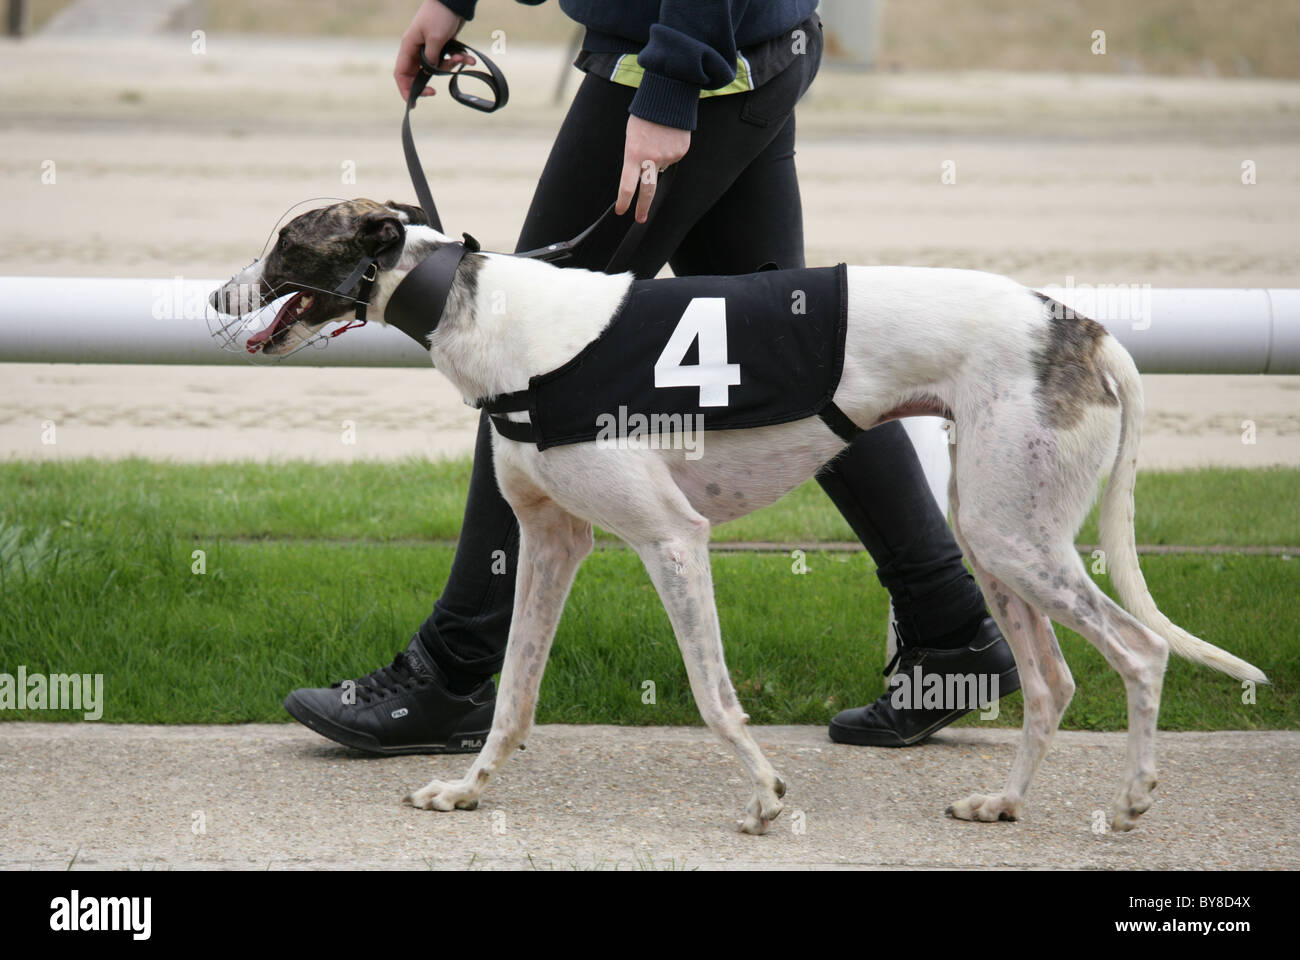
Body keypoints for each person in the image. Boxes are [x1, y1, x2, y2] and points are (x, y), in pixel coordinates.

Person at [284, 0, 1020, 754]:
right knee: (796, 358)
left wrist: (669, 87)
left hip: (685, 60)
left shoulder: (675, 73)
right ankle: (948, 629)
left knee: (514, 349)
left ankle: (451, 675)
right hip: (734, 47)